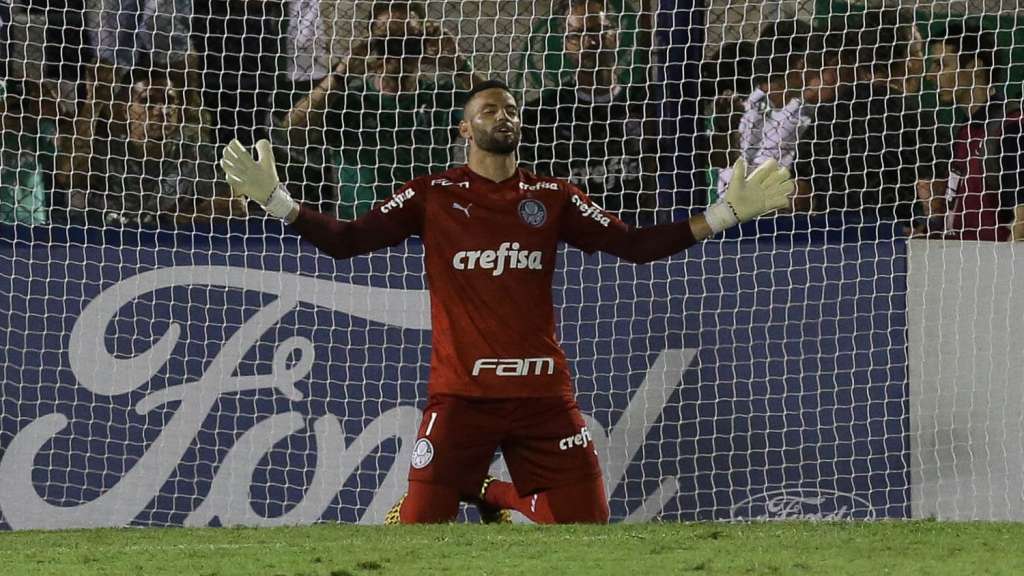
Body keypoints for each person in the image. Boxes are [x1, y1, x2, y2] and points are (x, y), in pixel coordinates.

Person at [220, 79, 793, 524]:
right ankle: (472, 487)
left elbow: (635, 246)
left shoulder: (553, 196)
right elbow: (346, 241)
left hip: (542, 396)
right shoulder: (432, 194)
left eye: (511, 109)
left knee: (587, 531)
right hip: (462, 397)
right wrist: (277, 200)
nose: (504, 116)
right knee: (419, 531)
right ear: (465, 129)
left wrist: (723, 214)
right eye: (490, 109)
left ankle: (491, 491)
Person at [273, 1, 483, 219]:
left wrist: (459, 65)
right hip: (362, 227)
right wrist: (340, 74)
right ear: (373, 44)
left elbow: (499, 118)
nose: (398, 48)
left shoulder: (442, 95)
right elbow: (292, 133)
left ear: (422, 43)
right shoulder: (350, 99)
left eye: (408, 38)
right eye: (388, 39)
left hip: (427, 224)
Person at [520, 0, 660, 223]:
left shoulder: (646, 103)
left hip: (638, 230)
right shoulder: (542, 115)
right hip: (572, 234)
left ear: (615, 36)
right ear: (566, 44)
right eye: (577, 35)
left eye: (598, 31)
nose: (590, 42)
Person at [795, 8, 937, 223]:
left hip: (832, 234)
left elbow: (800, 192)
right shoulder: (916, 118)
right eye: (918, 52)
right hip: (893, 236)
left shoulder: (828, 113)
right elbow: (932, 197)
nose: (922, 60)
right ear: (907, 60)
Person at [916, 22, 1023, 241]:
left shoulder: (1013, 128)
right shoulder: (966, 130)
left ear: (975, 67)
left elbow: (1021, 223)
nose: (930, 75)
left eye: (940, 65)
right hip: (960, 257)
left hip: (995, 260)